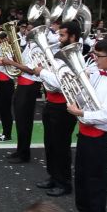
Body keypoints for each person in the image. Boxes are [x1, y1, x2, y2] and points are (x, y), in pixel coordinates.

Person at [66, 38, 107, 212]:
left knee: (95, 181)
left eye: (98, 56)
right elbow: (84, 98)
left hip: (98, 137)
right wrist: (76, 93)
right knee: (81, 178)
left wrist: (81, 113)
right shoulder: (97, 72)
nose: (94, 59)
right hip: (85, 133)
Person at [33, 21, 81, 197]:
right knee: (50, 144)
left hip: (64, 106)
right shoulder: (60, 54)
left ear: (73, 37)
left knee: (61, 146)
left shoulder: (74, 56)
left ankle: (64, 183)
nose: (58, 38)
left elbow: (61, 82)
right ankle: (53, 177)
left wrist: (42, 72)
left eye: (62, 35)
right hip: (52, 103)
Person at [0, 33, 42, 162]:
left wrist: (11, 62)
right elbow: (22, 62)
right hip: (22, 84)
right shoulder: (28, 46)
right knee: (20, 120)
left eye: (29, 31)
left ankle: (24, 154)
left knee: (25, 121)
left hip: (29, 86)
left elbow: (32, 70)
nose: (26, 33)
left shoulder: (37, 48)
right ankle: (20, 150)